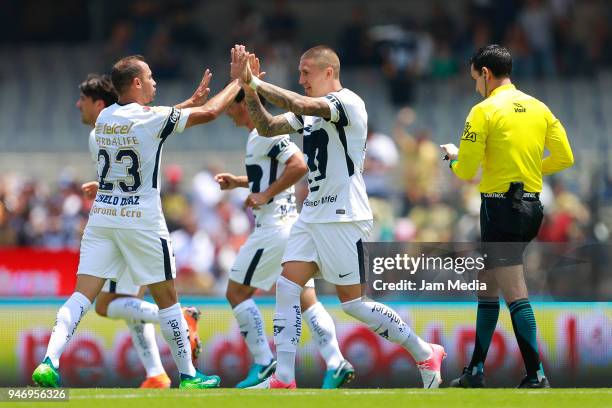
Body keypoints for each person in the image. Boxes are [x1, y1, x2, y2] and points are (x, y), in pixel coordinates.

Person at [234, 45, 446, 389]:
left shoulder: (347, 103)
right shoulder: (312, 111)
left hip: (343, 216)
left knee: (354, 304)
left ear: (328, 72)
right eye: (300, 74)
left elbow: (301, 104)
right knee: (287, 288)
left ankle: (424, 351)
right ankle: (283, 379)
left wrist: (255, 82)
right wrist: (248, 89)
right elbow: (269, 126)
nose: (301, 79)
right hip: (312, 214)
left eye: (306, 73)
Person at [32, 54, 242, 389]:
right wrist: (240, 81)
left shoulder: (104, 120)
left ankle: (48, 361)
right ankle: (188, 375)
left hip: (103, 218)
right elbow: (211, 112)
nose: (155, 82)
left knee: (81, 297)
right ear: (136, 83)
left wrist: (186, 102)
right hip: (141, 221)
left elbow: (147, 123)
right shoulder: (150, 118)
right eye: (150, 76)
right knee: (168, 300)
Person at [440, 44, 574, 388]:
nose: (475, 87)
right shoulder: (539, 107)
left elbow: (466, 170)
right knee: (487, 287)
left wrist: (453, 159)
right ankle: (475, 371)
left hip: (501, 208)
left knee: (514, 291)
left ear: (485, 74)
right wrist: (527, 169)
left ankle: (537, 375)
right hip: (531, 207)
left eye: (475, 79)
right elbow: (565, 157)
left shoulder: (483, 110)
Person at [216, 82, 354, 389]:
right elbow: (273, 173)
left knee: (236, 293)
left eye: (231, 107)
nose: (228, 114)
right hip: (290, 228)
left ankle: (264, 362)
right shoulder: (258, 138)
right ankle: (335, 361)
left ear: (245, 104)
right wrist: (241, 182)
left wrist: (264, 194)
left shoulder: (265, 134)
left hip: (273, 229)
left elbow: (298, 164)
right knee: (307, 299)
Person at [76, 73, 206, 388]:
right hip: (132, 221)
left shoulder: (101, 132)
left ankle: (180, 321)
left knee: (106, 305)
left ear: (101, 104)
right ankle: (155, 372)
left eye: (84, 101)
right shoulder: (122, 126)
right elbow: (152, 124)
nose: (79, 106)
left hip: (126, 224)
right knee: (126, 300)